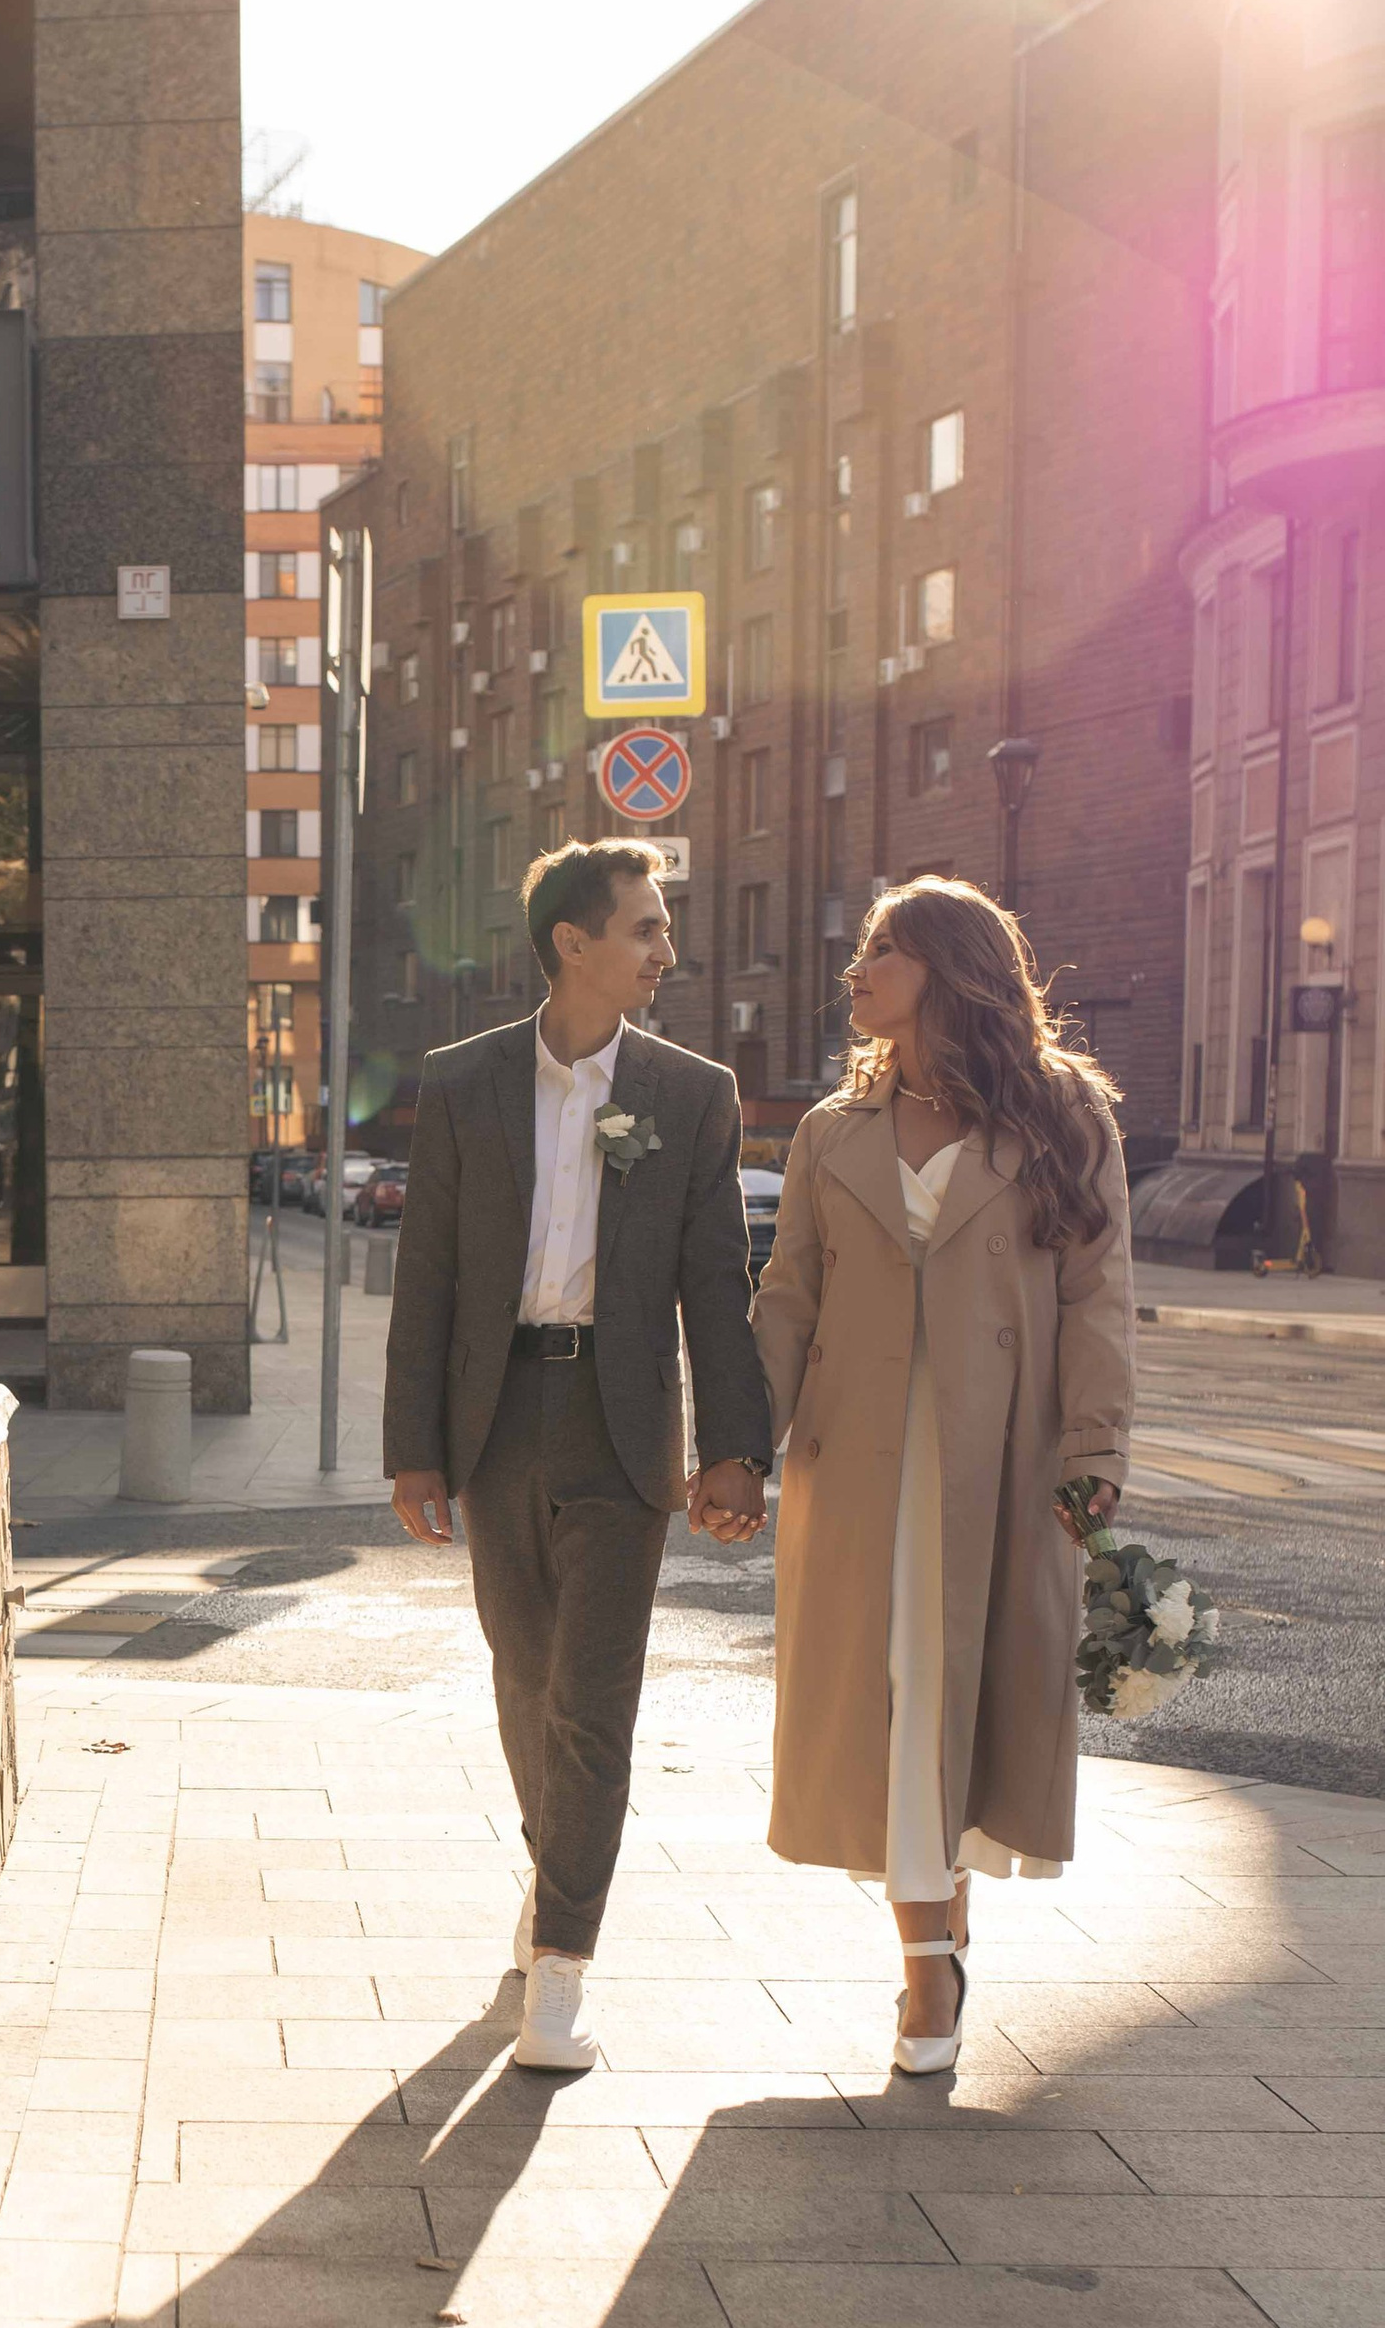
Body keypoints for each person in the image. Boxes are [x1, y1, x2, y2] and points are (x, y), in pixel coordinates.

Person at [385, 837, 772, 2071]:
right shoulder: (462, 1083)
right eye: (646, 928)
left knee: (594, 1699)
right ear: (573, 943)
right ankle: (554, 1883)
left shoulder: (691, 1093)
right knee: (524, 1680)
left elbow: (719, 1282)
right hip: (495, 1422)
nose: (665, 950)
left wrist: (734, 1450)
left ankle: (560, 1966)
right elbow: (428, 1277)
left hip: (621, 1430)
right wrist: (413, 1452)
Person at [752, 875, 1135, 2073]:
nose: (853, 971)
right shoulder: (831, 1132)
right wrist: (725, 1447)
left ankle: (933, 1954)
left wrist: (1093, 1449)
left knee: (957, 1696)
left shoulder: (1065, 1121)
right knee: (895, 1695)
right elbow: (785, 1301)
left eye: (879, 952)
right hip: (855, 1468)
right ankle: (929, 1962)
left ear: (946, 969)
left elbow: (1096, 1300)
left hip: (1003, 1459)